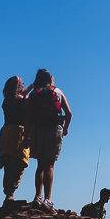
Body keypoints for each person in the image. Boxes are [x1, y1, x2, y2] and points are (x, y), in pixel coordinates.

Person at [26, 68, 71, 210]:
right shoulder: (57, 92)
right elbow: (69, 113)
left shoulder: (34, 94)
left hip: (38, 130)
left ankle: (37, 196)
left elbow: (28, 117)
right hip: (54, 129)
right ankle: (48, 199)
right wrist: (65, 128)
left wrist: (27, 136)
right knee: (50, 165)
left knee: (40, 165)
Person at [0, 75, 33, 204]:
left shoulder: (6, 101)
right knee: (19, 164)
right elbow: (24, 98)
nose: (24, 85)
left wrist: (32, 85)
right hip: (18, 134)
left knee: (8, 166)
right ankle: (11, 194)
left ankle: (8, 193)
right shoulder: (24, 100)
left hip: (6, 134)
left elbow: (20, 95)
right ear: (18, 87)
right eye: (22, 83)